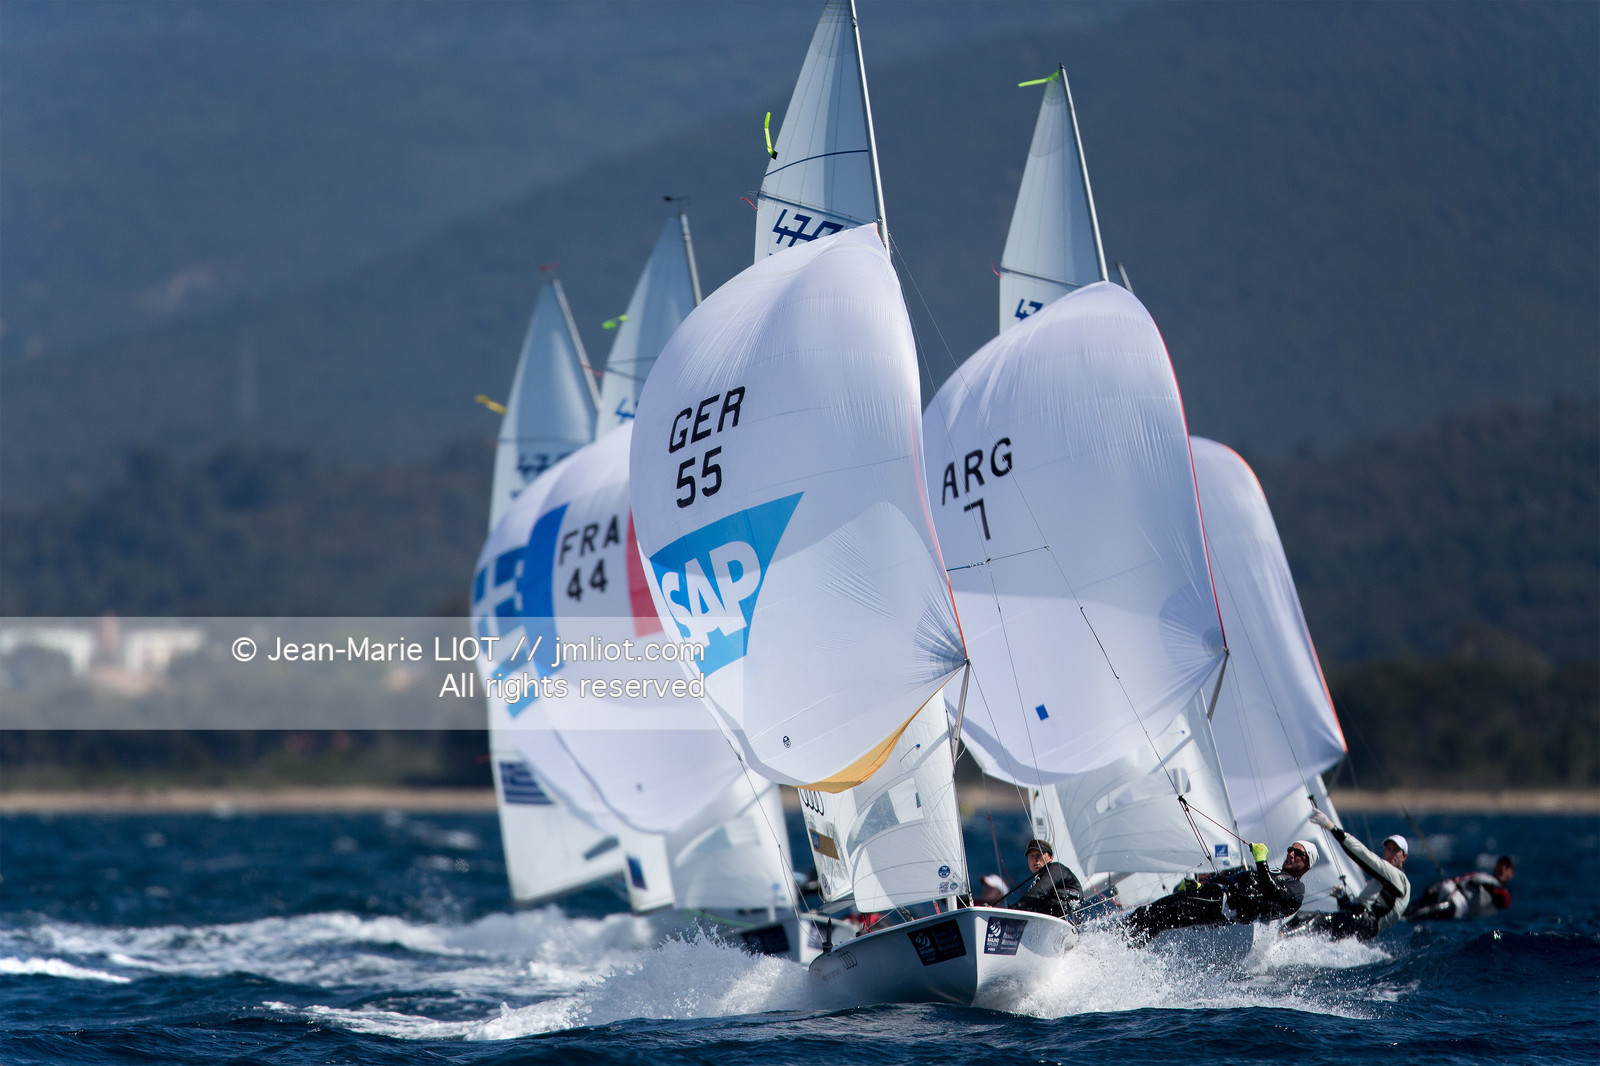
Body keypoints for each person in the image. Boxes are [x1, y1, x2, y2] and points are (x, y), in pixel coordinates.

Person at [1123, 839, 1315, 946]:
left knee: (1159, 919)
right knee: (1148, 911)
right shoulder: (1275, 873)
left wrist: (1261, 861)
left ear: (1307, 864)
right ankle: (1115, 939)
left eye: (1298, 853)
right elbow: (1238, 882)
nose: (1291, 854)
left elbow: (1272, 891)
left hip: (1221, 906)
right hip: (1212, 895)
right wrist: (1201, 888)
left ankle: (1126, 950)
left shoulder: (1296, 890)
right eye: (1290, 849)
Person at [1285, 809, 1410, 940]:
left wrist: (1331, 826)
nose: (1390, 853)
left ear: (1404, 857)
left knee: (1314, 922)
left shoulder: (1398, 878)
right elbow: (1361, 909)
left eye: (1396, 850)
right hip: (1359, 922)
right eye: (1388, 849)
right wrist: (1342, 899)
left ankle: (1282, 939)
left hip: (1363, 923)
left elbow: (1364, 856)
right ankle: (1280, 936)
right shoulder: (1385, 882)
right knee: (1300, 917)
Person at [1408, 856, 1514, 920]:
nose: (1502, 869)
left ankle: (1407, 917)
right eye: (1500, 864)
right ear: (1495, 866)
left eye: (1507, 867)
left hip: (1459, 903)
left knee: (1423, 913)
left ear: (1511, 874)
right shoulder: (1485, 877)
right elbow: (1466, 878)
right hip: (1451, 889)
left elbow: (1504, 901)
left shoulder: (1502, 892)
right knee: (1421, 901)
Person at [1010, 839, 1083, 919]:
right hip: (1051, 923)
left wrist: (1013, 910)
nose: (1035, 859)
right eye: (1031, 855)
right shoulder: (1036, 883)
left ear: (1051, 858)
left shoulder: (1056, 868)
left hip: (1069, 921)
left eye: (1039, 854)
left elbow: (1040, 892)